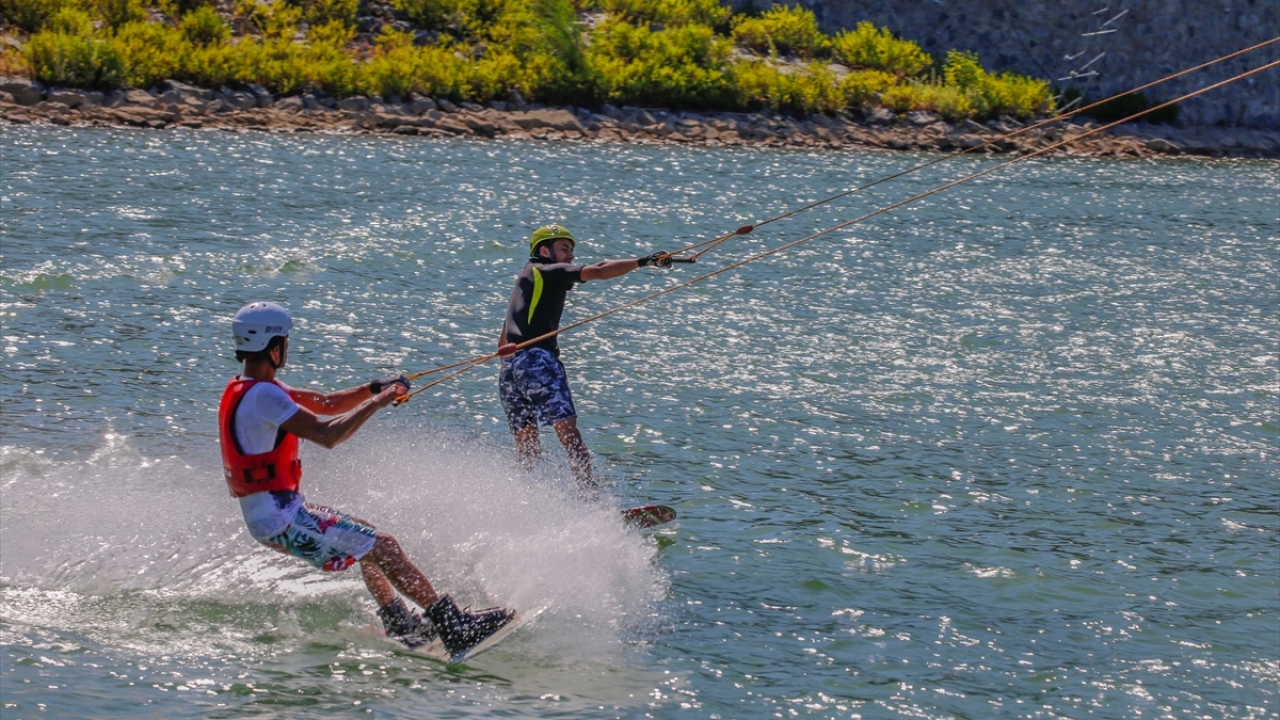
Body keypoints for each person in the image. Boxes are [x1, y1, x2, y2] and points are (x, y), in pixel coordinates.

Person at [219, 301, 513, 656]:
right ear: (275, 346)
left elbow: (326, 403)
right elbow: (328, 434)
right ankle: (453, 626)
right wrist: (381, 402)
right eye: (286, 341)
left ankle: (400, 623)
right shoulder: (264, 395)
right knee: (384, 547)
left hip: (276, 513)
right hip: (280, 518)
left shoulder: (249, 388)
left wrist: (375, 388)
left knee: (367, 536)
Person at [498, 224, 673, 490]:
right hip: (537, 360)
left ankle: (507, 495)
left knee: (528, 449)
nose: (570, 256)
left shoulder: (525, 279)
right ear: (544, 250)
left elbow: (503, 339)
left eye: (572, 250)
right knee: (568, 431)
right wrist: (643, 261)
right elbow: (600, 270)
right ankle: (589, 497)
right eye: (564, 249)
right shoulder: (547, 270)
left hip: (510, 369)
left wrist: (514, 366)